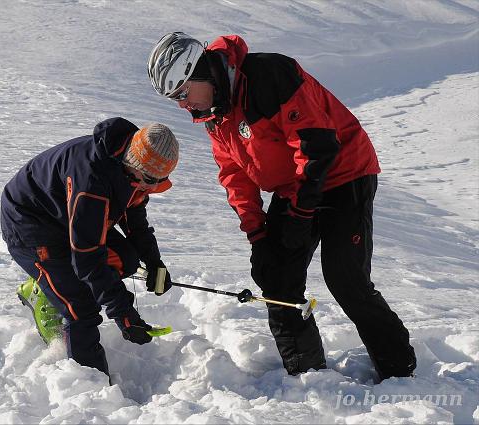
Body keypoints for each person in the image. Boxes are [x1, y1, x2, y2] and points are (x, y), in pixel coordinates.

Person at [147, 32, 416, 380]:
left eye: (183, 94)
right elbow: (234, 174)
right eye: (175, 100)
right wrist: (258, 233)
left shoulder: (269, 75)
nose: (183, 105)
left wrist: (302, 214)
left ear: (201, 72)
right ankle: (306, 373)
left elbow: (316, 145)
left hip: (343, 172)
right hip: (295, 186)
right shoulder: (215, 112)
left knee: (346, 278)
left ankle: (398, 368)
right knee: (275, 276)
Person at [0, 117, 177, 377]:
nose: (151, 187)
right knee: (80, 310)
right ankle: (89, 390)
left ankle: (52, 284)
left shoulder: (132, 171)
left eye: (160, 180)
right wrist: (125, 315)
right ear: (133, 164)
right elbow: (88, 257)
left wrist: (154, 263)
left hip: (69, 219)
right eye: (149, 179)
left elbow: (135, 222)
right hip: (31, 226)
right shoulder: (92, 180)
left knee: (126, 259)